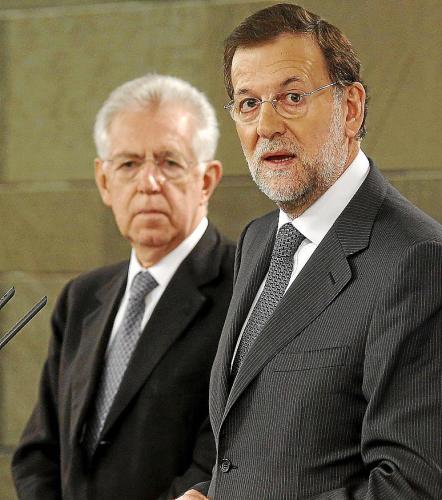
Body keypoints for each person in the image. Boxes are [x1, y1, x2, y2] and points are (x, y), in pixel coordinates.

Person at [178, 4, 442, 500]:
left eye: (292, 97)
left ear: (351, 108)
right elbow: (260, 451)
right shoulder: (259, 239)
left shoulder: (418, 260)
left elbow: (412, 487)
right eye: (248, 103)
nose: (267, 125)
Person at [12, 74, 235, 500]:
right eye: (129, 164)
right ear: (104, 181)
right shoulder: (81, 297)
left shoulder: (248, 290)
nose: (148, 183)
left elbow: (225, 456)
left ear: (206, 180)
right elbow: (38, 453)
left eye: (169, 163)